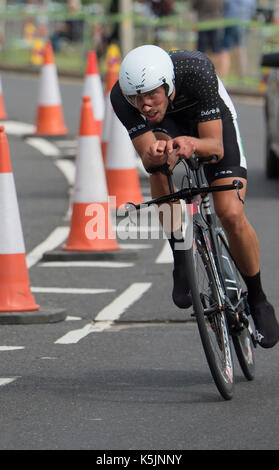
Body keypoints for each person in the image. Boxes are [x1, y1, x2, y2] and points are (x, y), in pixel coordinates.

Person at [110, 44, 279, 349]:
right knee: (159, 169)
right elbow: (147, 158)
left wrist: (190, 143)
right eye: (138, 98)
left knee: (230, 213)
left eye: (152, 95)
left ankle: (258, 298)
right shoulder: (121, 99)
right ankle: (180, 257)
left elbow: (215, 147)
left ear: (167, 84)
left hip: (209, 119)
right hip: (166, 128)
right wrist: (160, 153)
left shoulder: (195, 70)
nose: (145, 105)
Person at [219, 0, 256, 78]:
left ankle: (223, 76)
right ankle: (241, 76)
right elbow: (253, 13)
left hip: (230, 23)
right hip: (244, 24)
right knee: (241, 49)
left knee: (225, 50)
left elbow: (223, 8)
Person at [191, 0, 224, 75]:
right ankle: (215, 74)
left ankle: (203, 73)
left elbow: (195, 6)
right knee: (215, 51)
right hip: (216, 23)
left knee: (201, 52)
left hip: (203, 23)